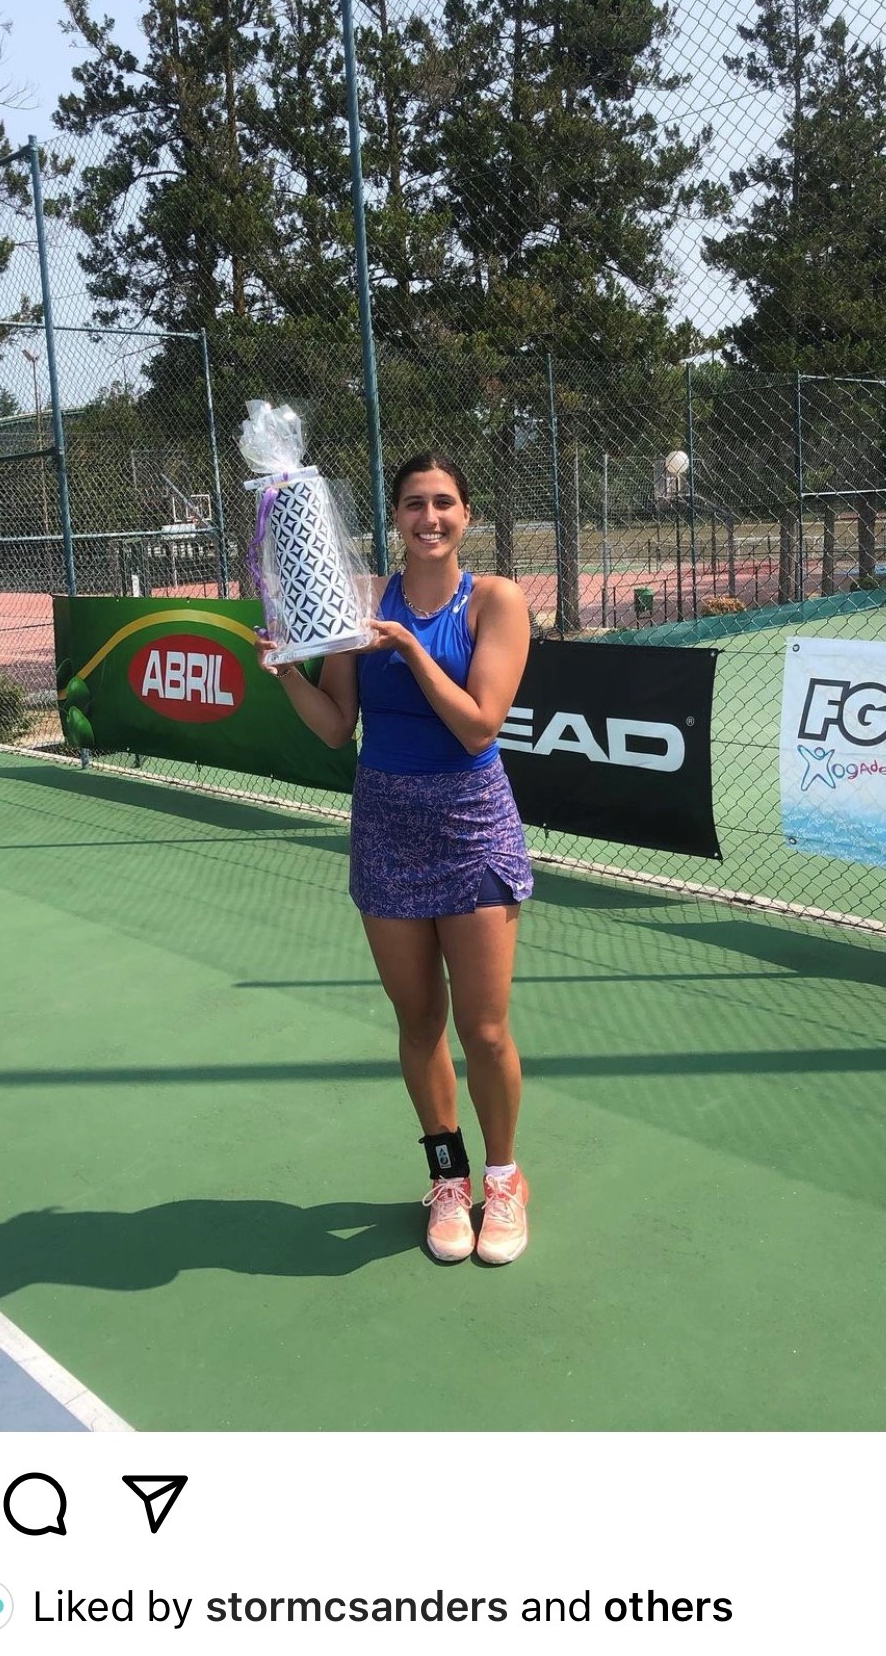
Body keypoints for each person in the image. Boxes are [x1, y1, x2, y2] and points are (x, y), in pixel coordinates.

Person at [258, 452, 534, 1264]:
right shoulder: (358, 599)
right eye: (414, 503)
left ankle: (504, 1179)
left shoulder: (496, 601)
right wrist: (286, 674)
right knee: (418, 1022)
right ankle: (447, 1178)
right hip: (385, 824)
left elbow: (480, 725)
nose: (429, 517)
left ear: (466, 514)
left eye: (444, 502)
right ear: (395, 516)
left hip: (473, 824)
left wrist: (411, 649)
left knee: (484, 1029)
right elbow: (336, 726)